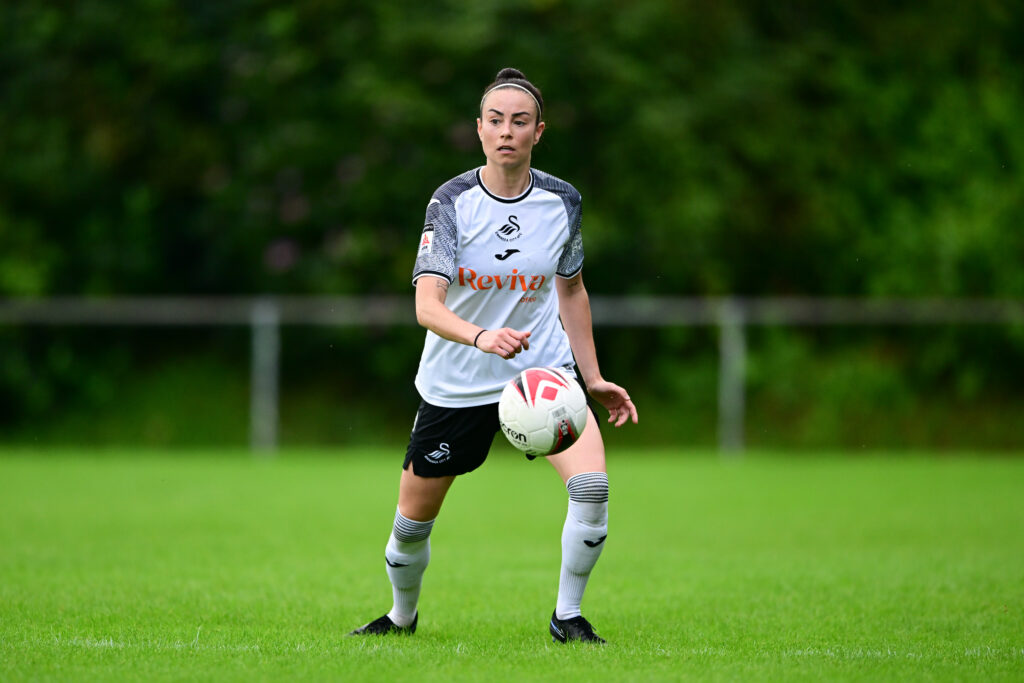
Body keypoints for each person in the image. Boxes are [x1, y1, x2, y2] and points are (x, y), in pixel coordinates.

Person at [349, 67, 638, 644]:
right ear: (479, 129)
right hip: (457, 380)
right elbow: (427, 306)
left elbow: (572, 288)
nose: (508, 131)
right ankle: (401, 617)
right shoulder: (451, 202)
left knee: (593, 488)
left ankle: (568, 617)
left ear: (538, 132)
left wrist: (594, 376)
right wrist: (481, 337)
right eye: (496, 120)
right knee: (410, 526)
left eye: (521, 121)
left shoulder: (562, 202)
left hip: (541, 375)